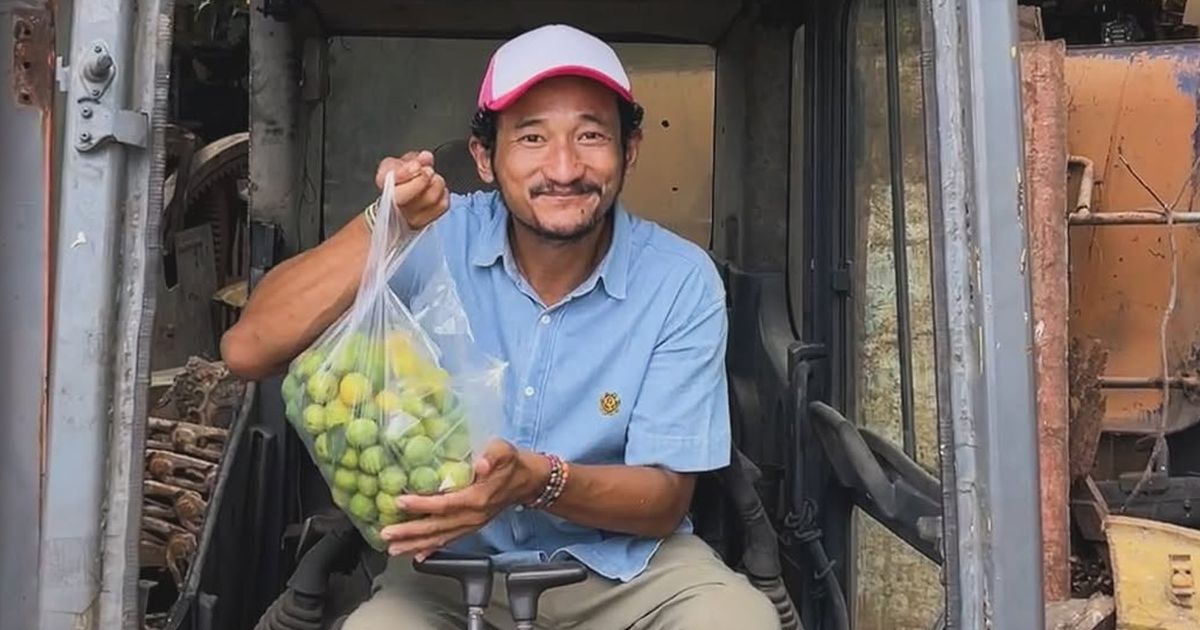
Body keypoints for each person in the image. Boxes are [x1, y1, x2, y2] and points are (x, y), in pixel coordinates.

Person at [221, 23, 781, 630]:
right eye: (532, 137)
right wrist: (381, 224)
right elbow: (249, 349)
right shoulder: (432, 237)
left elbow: (664, 501)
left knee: (739, 620)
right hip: (442, 570)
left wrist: (536, 481)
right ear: (485, 158)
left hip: (628, 572)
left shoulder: (679, 280)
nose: (564, 167)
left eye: (591, 134)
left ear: (631, 150)